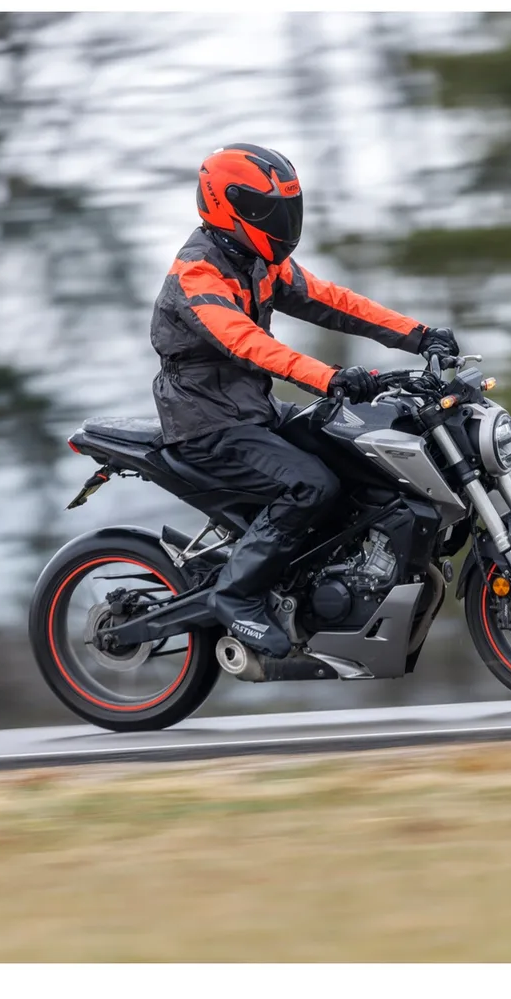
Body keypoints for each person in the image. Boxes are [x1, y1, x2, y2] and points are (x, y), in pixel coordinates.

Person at [149, 142, 459, 660]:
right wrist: (329, 377)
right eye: (268, 210)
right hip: (206, 425)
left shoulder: (257, 261)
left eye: (286, 208)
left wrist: (419, 334)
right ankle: (236, 594)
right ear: (230, 206)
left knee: (354, 448)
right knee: (311, 484)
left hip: (254, 412)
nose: (282, 221)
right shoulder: (197, 275)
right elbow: (248, 343)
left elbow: (334, 301)